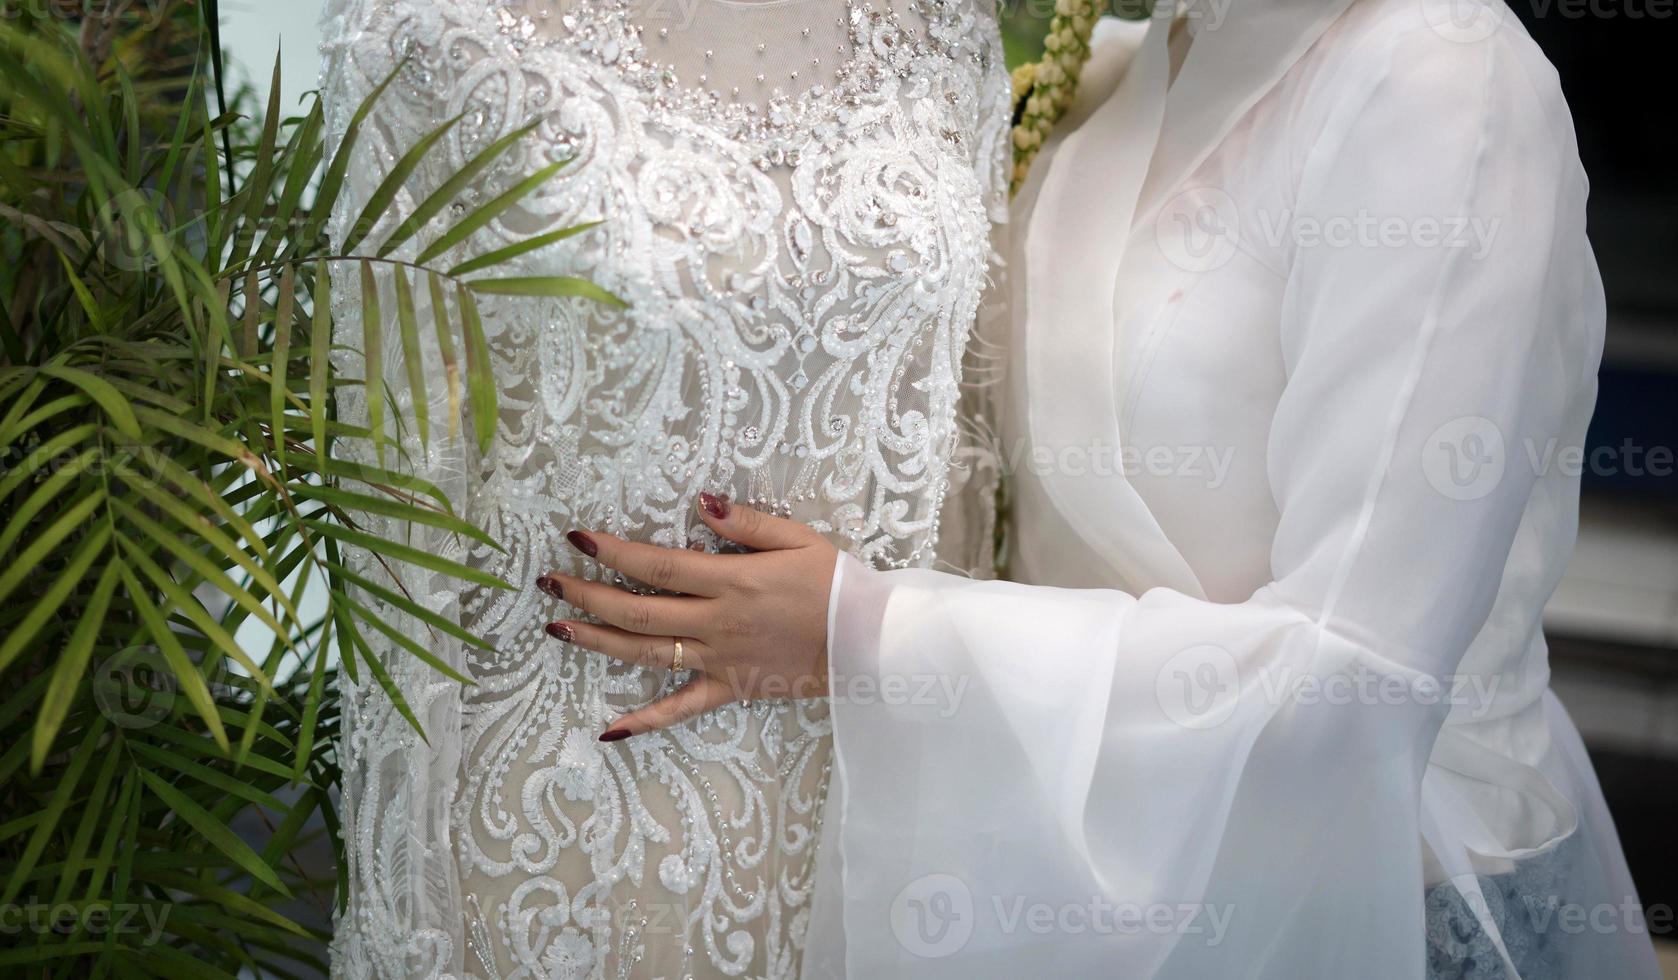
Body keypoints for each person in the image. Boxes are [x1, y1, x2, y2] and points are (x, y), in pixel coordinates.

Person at [544, 0, 1665, 975]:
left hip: (1351, 891)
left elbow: (1355, 688)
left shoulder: (1446, 82)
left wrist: (865, 637)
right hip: (1059, 859)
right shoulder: (1136, 61)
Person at [317, 0, 1012, 975]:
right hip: (570, 810)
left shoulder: (948, 31)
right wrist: (403, 914)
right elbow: (396, 506)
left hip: (868, 800)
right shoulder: (431, 29)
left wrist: (905, 664)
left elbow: (965, 458)